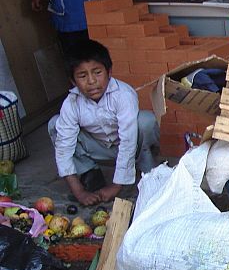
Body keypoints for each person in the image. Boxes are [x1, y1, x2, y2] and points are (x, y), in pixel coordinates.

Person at [48, 40, 159, 206]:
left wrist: (116, 186)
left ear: (109, 72)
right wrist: (79, 193)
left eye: (97, 72)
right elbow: (64, 149)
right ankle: (90, 172)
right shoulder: (72, 103)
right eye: (82, 76)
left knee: (145, 121)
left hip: (133, 146)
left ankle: (146, 166)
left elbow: (128, 140)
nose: (92, 81)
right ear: (73, 81)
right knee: (55, 125)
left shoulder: (123, 94)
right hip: (98, 148)